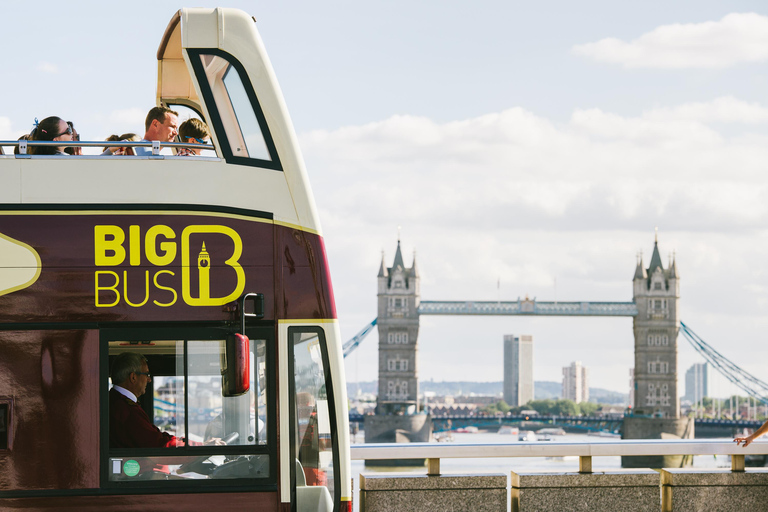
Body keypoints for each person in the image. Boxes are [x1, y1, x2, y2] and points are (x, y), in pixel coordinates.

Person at [109, 352, 187, 448]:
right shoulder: (126, 410)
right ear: (133, 377)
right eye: (146, 374)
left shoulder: (113, 401)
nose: (149, 379)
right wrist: (194, 445)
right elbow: (156, 444)